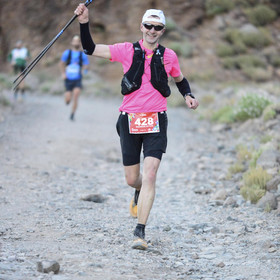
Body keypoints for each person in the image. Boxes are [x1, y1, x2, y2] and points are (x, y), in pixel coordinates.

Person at [74, 4, 199, 250]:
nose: (152, 30)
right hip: (129, 120)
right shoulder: (125, 50)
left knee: (151, 173)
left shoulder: (170, 56)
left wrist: (188, 95)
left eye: (158, 27)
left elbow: (180, 80)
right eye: (149, 26)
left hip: (156, 119)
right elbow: (89, 48)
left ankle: (140, 231)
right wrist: (84, 22)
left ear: (162, 30)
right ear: (142, 27)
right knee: (133, 179)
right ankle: (137, 191)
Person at [60, 35, 89, 121]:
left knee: (76, 94)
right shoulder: (67, 53)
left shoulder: (82, 54)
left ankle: (72, 114)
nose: (76, 42)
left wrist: (84, 71)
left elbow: (86, 65)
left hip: (77, 79)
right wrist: (63, 73)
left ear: (80, 43)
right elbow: (61, 63)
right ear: (72, 43)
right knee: (68, 99)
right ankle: (68, 100)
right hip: (68, 78)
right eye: (74, 41)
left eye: (78, 41)